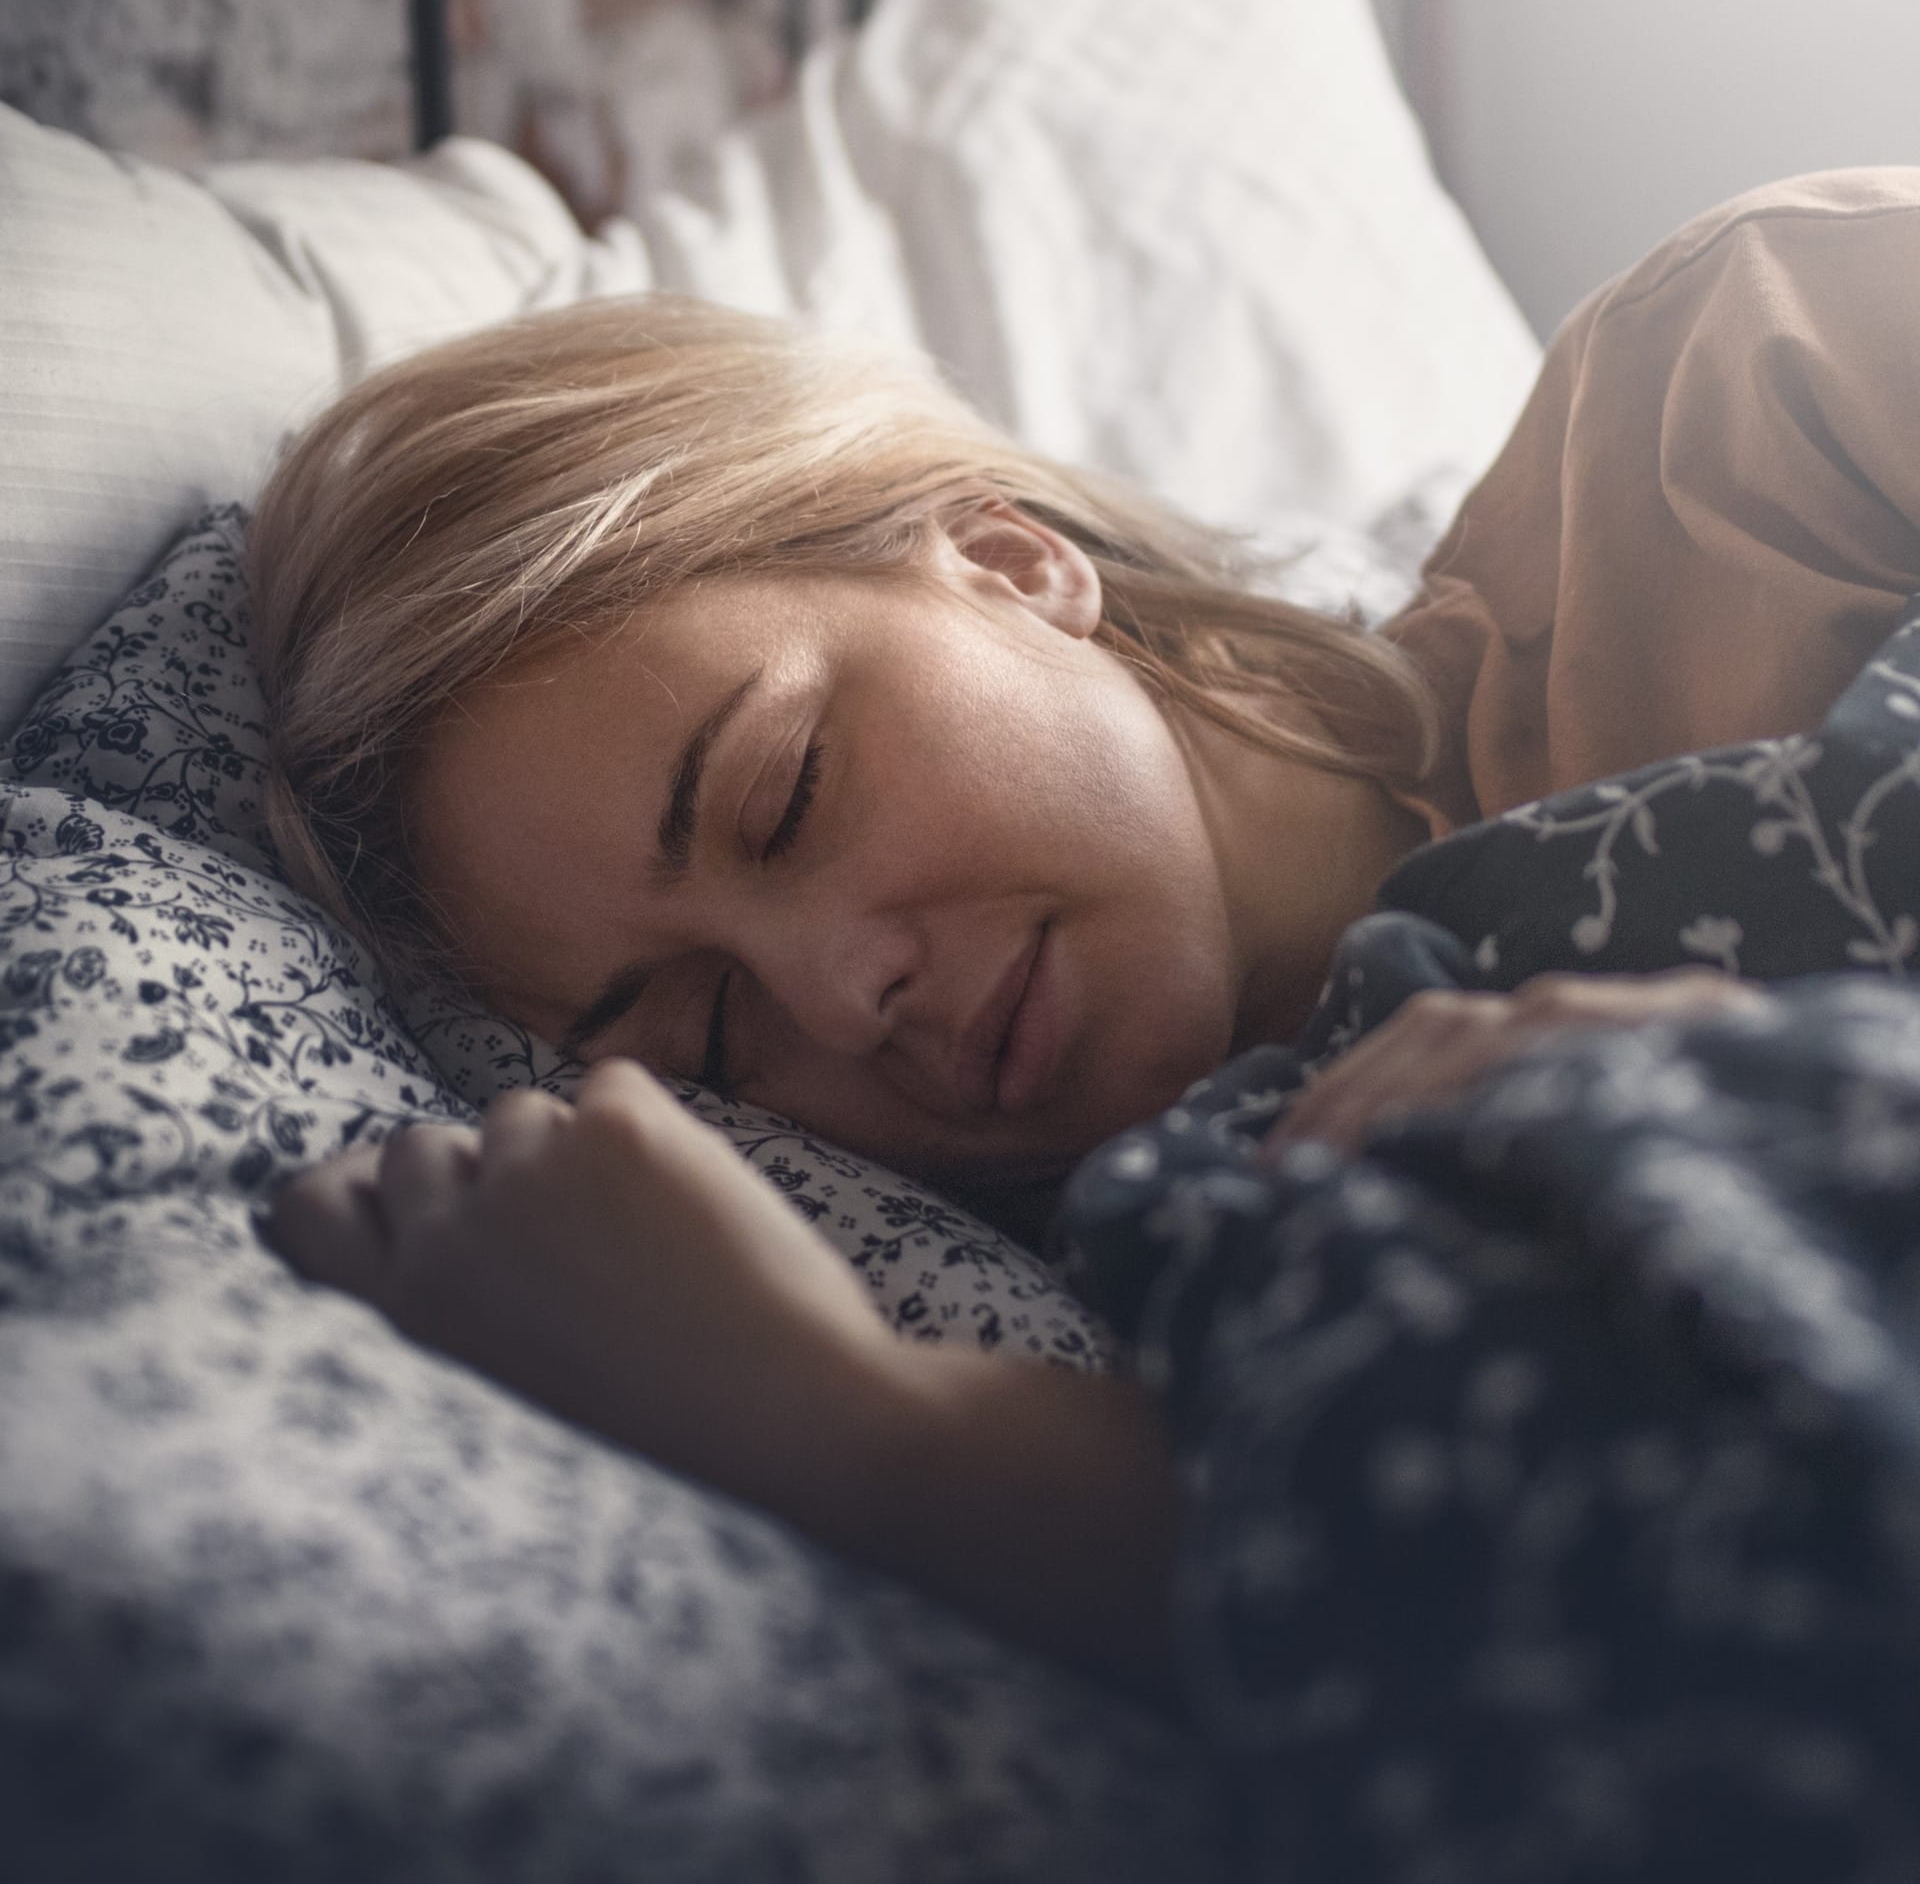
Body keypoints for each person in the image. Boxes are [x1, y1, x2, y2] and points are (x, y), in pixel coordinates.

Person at [256, 170, 1920, 1704]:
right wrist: (827, 1413)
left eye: (786, 796)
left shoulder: (1741, 396)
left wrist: (1733, 1074)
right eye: (706, 1039)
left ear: (1005, 561)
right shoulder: (1196, 1270)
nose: (842, 1001)